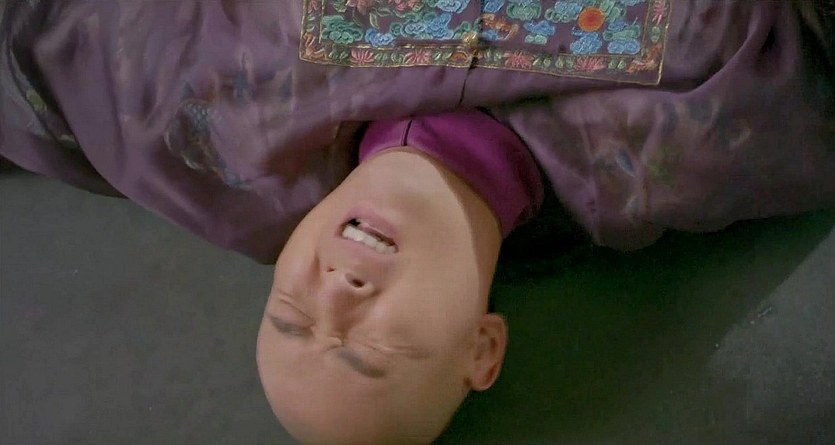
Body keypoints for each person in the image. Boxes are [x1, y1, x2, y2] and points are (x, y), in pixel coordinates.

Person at [2, 1, 833, 444]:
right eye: (369, 351)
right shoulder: (668, 155)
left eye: (290, 316)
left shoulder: (221, 158)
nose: (336, 293)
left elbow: (50, 57)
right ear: (482, 349)